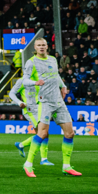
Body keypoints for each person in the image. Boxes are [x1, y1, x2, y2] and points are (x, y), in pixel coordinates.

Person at [17, 38, 80, 177]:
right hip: (44, 101)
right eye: (39, 45)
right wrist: (35, 82)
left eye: (43, 45)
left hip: (58, 101)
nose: (41, 47)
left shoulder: (52, 59)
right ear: (35, 47)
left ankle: (66, 166)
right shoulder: (31, 62)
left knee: (70, 133)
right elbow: (25, 80)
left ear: (47, 46)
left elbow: (55, 75)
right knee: (42, 133)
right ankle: (28, 164)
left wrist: (63, 86)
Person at [10, 54, 51, 166]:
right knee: (43, 132)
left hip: (40, 108)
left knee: (44, 133)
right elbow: (11, 93)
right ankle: (43, 159)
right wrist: (19, 102)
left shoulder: (38, 80)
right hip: (29, 110)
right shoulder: (22, 81)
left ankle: (22, 145)